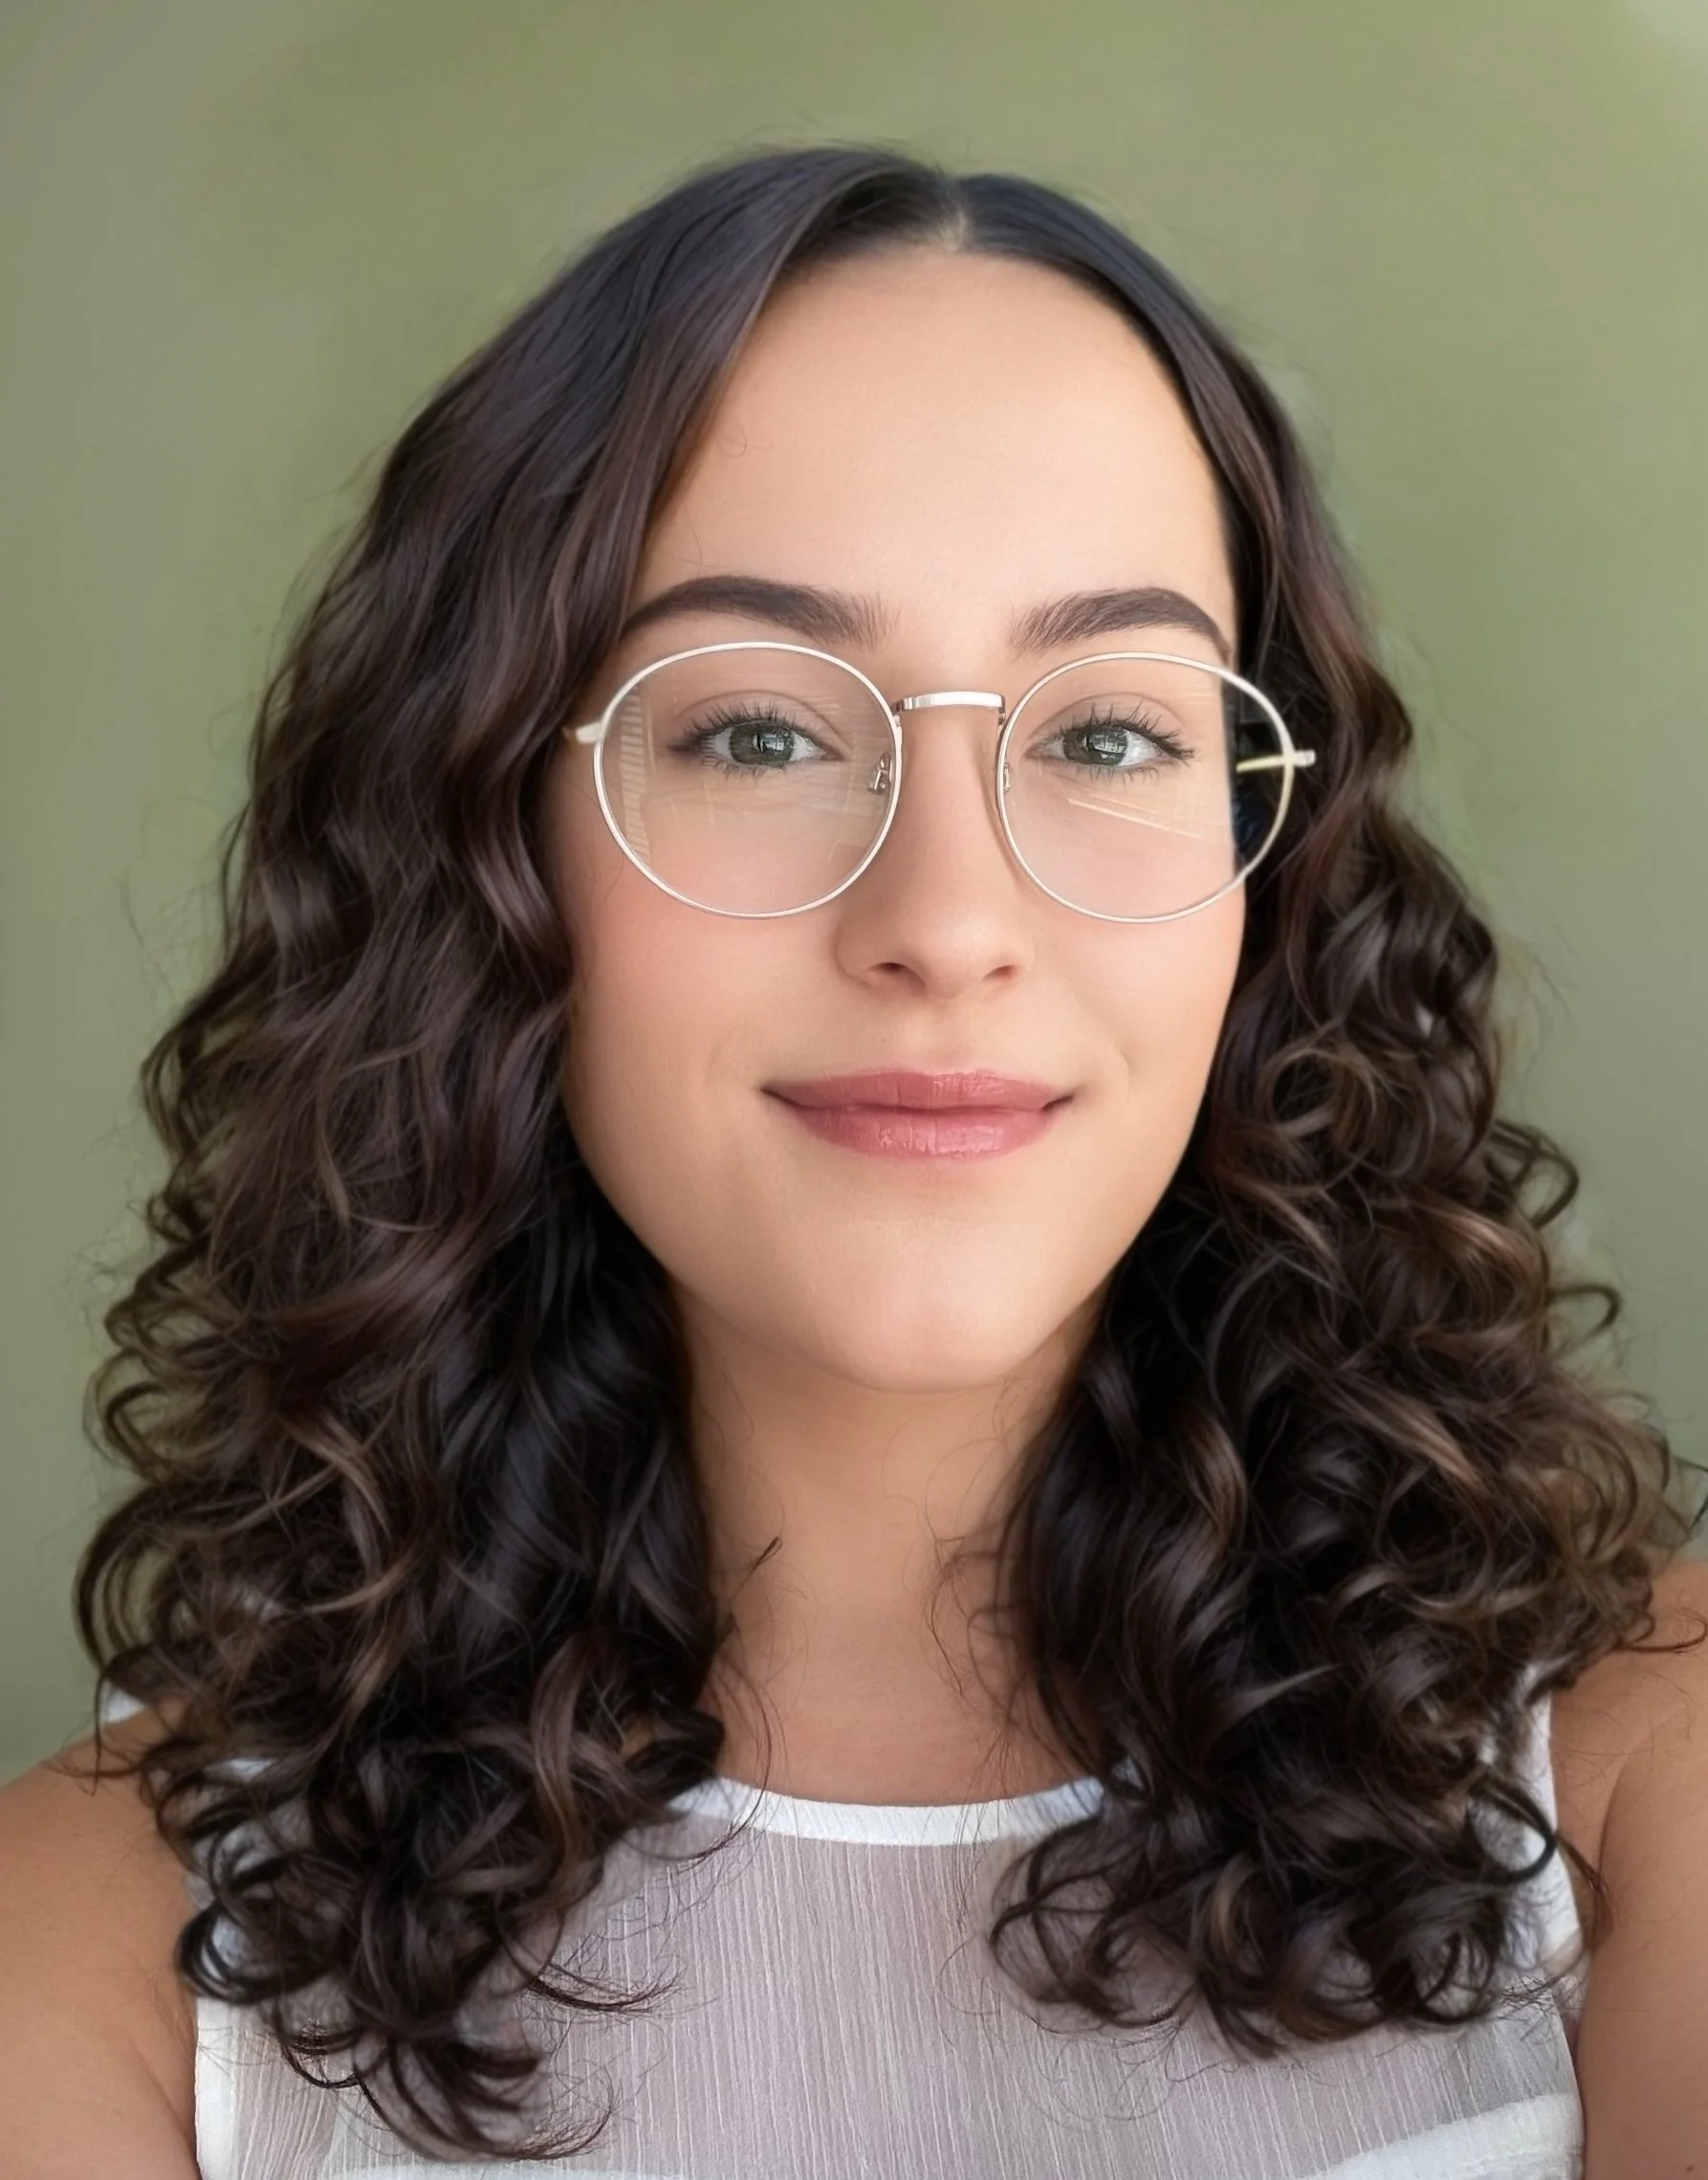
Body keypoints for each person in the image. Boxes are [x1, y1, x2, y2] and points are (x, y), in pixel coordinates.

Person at [1, 143, 1703, 2180]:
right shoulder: (88, 1953)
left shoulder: (1639, 1776)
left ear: (1271, 862)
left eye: (1103, 733)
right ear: (482, 845)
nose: (948, 917)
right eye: (755, 730)